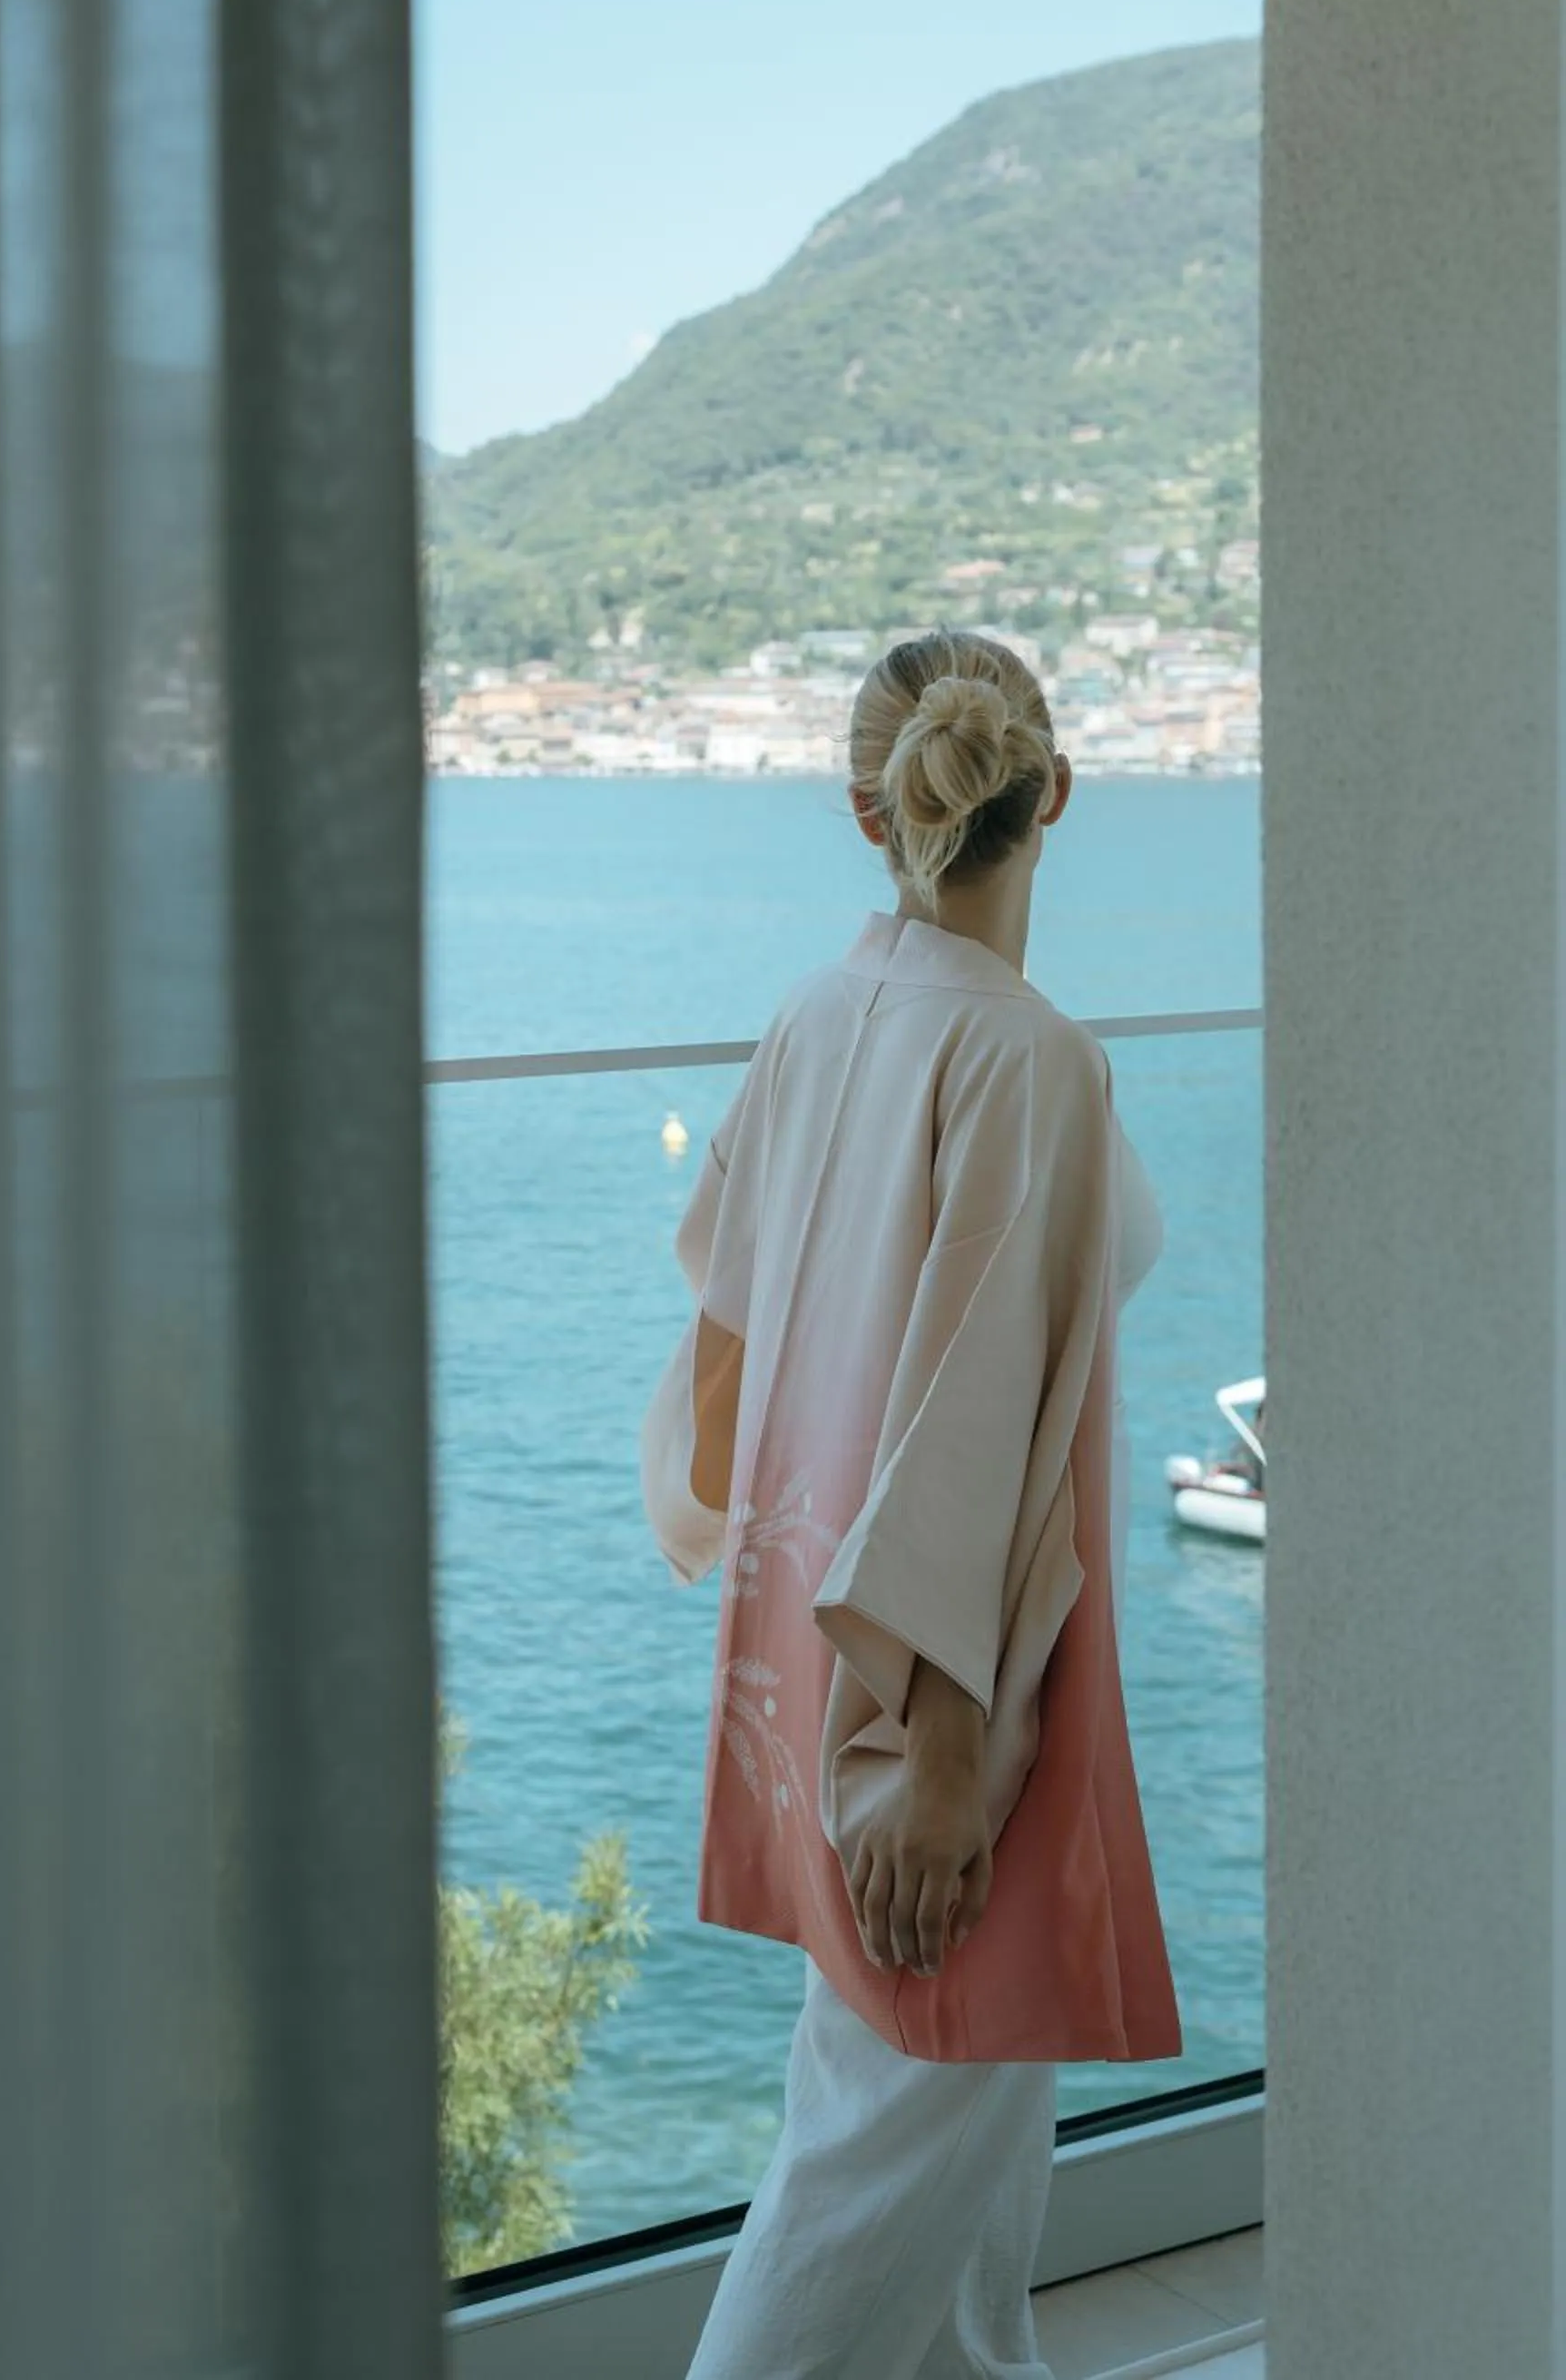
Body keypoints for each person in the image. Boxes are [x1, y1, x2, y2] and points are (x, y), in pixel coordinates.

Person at [640, 631, 1182, 2380]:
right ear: (1060, 794)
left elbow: (724, 1355)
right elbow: (972, 1432)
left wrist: (737, 1552)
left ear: (861, 808)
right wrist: (950, 1766)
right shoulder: (1032, 1062)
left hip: (812, 1668)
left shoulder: (814, 1017)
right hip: (936, 1707)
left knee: (942, 2150)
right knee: (885, 2150)